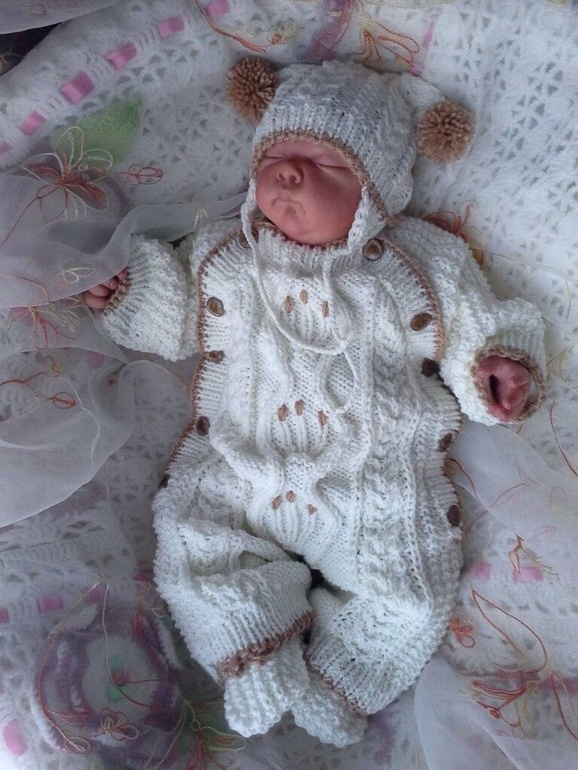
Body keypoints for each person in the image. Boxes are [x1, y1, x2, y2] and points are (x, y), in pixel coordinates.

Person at [81, 59, 546, 747]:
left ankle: (340, 679)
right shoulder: (226, 254)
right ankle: (253, 653)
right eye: (277, 158)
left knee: (412, 591)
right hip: (244, 470)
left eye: (325, 162)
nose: (290, 174)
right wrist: (130, 291)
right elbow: (175, 317)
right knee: (190, 541)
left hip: (370, 485)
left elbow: (475, 318)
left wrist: (495, 365)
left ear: (376, 193)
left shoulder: (420, 262)